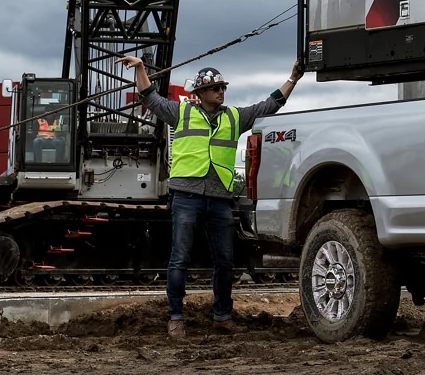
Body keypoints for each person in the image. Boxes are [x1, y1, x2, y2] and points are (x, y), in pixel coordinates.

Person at [118, 55, 303, 339]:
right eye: (215, 88)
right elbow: (150, 97)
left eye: (222, 87)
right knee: (179, 259)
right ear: (201, 92)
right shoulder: (181, 112)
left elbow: (270, 104)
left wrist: (293, 79)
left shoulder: (234, 117)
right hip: (186, 196)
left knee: (225, 261)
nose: (221, 92)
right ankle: (175, 318)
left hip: (219, 200)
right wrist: (141, 68)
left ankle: (222, 317)